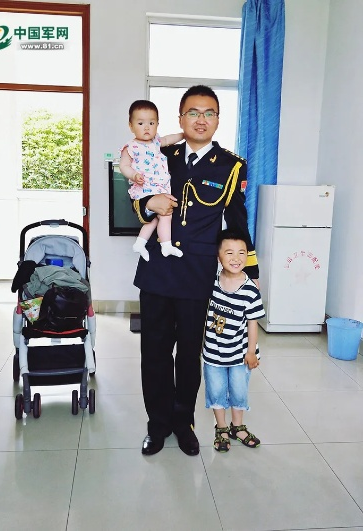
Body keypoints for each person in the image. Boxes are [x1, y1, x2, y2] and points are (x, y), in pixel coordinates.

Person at [131, 85, 259, 456]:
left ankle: (183, 423)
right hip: (156, 270)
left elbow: (237, 221)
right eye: (193, 112)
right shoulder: (158, 152)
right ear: (180, 118)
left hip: (197, 275)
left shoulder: (231, 166)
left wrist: (248, 272)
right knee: (154, 352)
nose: (200, 120)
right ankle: (157, 425)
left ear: (217, 120)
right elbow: (137, 197)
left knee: (189, 354)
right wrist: (149, 204)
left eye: (209, 113)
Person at [203, 229, 265, 453]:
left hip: (240, 353)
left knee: (238, 391)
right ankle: (221, 428)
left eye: (242, 253)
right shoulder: (211, 282)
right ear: (218, 256)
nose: (236, 258)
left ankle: (237, 427)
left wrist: (251, 351)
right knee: (216, 390)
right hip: (213, 352)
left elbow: (252, 323)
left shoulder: (250, 290)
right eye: (229, 253)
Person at [120, 100, 184, 261]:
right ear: (131, 126)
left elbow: (169, 139)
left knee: (155, 218)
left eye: (151, 123)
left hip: (160, 187)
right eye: (141, 123)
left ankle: (140, 243)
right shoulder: (131, 147)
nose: (147, 127)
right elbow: (124, 166)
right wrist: (134, 175)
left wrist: (183, 135)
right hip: (145, 187)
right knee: (165, 214)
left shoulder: (156, 141)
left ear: (157, 124)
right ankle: (166, 245)